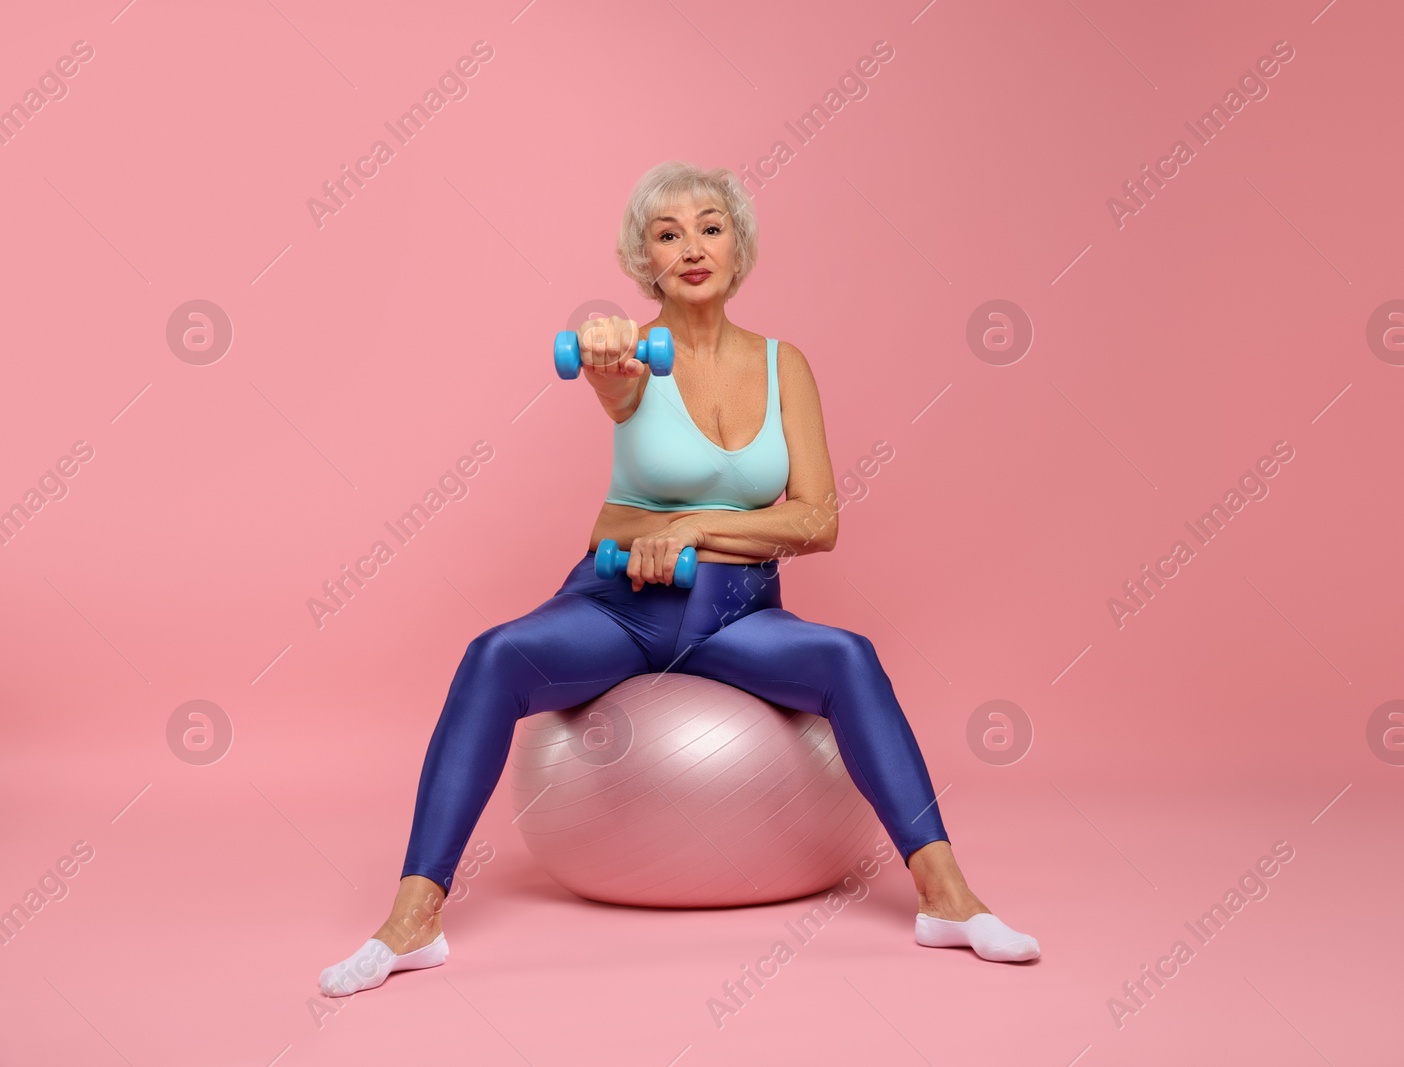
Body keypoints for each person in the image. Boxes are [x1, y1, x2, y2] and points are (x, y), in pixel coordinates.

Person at [319, 161, 1040, 997]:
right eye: (668, 235)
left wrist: (694, 526)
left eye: (709, 226)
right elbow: (607, 363)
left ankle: (946, 898)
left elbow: (818, 519)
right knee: (493, 655)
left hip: (736, 616)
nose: (692, 247)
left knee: (849, 656)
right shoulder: (635, 361)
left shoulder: (785, 366)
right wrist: (598, 337)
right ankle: (414, 918)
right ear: (645, 260)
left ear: (738, 245)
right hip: (619, 609)